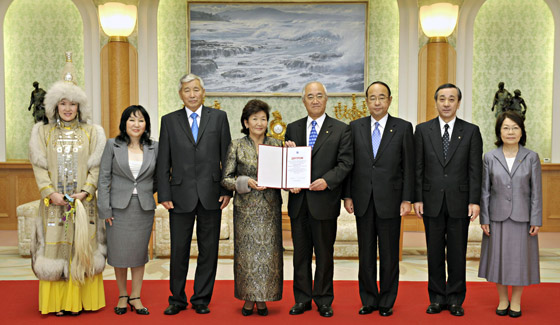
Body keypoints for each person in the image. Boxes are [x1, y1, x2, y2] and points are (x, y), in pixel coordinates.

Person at [28, 78, 107, 316]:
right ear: (54, 106)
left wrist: (86, 191)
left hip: (84, 205)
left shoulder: (92, 132)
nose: (68, 108)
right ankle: (58, 302)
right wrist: (50, 193)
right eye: (63, 103)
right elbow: (39, 167)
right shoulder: (43, 132)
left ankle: (80, 301)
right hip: (53, 205)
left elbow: (97, 167)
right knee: (55, 250)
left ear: (80, 107)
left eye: (73, 103)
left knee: (82, 248)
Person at [157, 73, 232, 315]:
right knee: (179, 250)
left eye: (196, 89)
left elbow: (227, 158)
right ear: (180, 94)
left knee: (208, 250)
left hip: (212, 194)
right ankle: (177, 299)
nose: (192, 94)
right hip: (179, 195)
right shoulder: (169, 121)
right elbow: (162, 161)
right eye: (187, 90)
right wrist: (164, 193)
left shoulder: (219, 118)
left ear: (203, 92)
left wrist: (226, 190)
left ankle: (201, 299)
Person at [343, 81, 415, 317]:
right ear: (367, 102)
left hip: (391, 200)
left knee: (389, 254)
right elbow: (349, 165)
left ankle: (386, 301)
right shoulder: (354, 127)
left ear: (390, 100)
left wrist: (407, 199)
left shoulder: (403, 128)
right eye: (372, 98)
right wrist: (348, 195)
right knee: (365, 254)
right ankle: (368, 299)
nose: (377, 102)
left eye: (381, 97)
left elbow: (408, 167)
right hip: (362, 199)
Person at [284, 81, 353, 317]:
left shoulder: (342, 129)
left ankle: (324, 299)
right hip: (298, 203)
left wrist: (327, 181)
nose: (315, 100)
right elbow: (288, 163)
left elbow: (345, 163)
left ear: (326, 100)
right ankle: (302, 299)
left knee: (324, 254)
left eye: (319, 96)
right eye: (310, 96)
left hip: (325, 202)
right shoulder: (292, 128)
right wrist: (289, 181)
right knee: (300, 255)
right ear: (303, 100)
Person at [414, 83, 482, 317]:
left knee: (456, 252)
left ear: (458, 103)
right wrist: (417, 198)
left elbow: (475, 169)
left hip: (460, 201)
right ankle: (435, 298)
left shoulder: (471, 131)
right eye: (442, 99)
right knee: (433, 252)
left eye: (451, 99)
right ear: (436, 102)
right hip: (431, 200)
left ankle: (454, 299)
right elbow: (418, 167)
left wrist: (475, 200)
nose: (446, 103)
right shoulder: (422, 130)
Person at [221, 99, 283, 316]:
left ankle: (264, 298)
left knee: (269, 256)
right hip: (246, 210)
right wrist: (245, 181)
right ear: (246, 122)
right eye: (254, 118)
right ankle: (248, 299)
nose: (259, 122)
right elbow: (226, 179)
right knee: (246, 257)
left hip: (270, 209)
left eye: (263, 118)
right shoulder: (236, 145)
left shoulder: (277, 145)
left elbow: (285, 174)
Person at [478, 111, 541, 318]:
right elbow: (485, 191)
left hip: (523, 218)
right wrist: (484, 219)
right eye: (506, 128)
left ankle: (516, 301)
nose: (510, 132)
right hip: (497, 217)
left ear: (522, 131)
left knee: (520, 261)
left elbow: (536, 192)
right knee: (498, 260)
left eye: (515, 127)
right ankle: (503, 300)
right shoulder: (490, 157)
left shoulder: (531, 157)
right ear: (499, 131)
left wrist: (536, 219)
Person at [97, 105, 158, 315]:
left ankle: (136, 296)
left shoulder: (154, 147)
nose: (136, 124)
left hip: (143, 209)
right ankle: (123, 295)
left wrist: (148, 193)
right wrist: (105, 209)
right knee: (120, 254)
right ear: (124, 123)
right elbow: (104, 178)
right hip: (117, 209)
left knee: (138, 254)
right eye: (132, 120)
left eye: (141, 120)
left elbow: (159, 179)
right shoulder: (112, 145)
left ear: (146, 125)